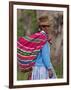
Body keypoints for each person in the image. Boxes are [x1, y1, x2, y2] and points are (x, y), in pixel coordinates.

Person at [31, 15, 57, 80]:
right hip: (43, 68)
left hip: (36, 68)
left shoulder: (37, 37)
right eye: (44, 26)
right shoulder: (43, 39)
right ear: (40, 27)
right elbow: (45, 55)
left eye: (48, 26)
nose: (46, 28)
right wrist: (49, 68)